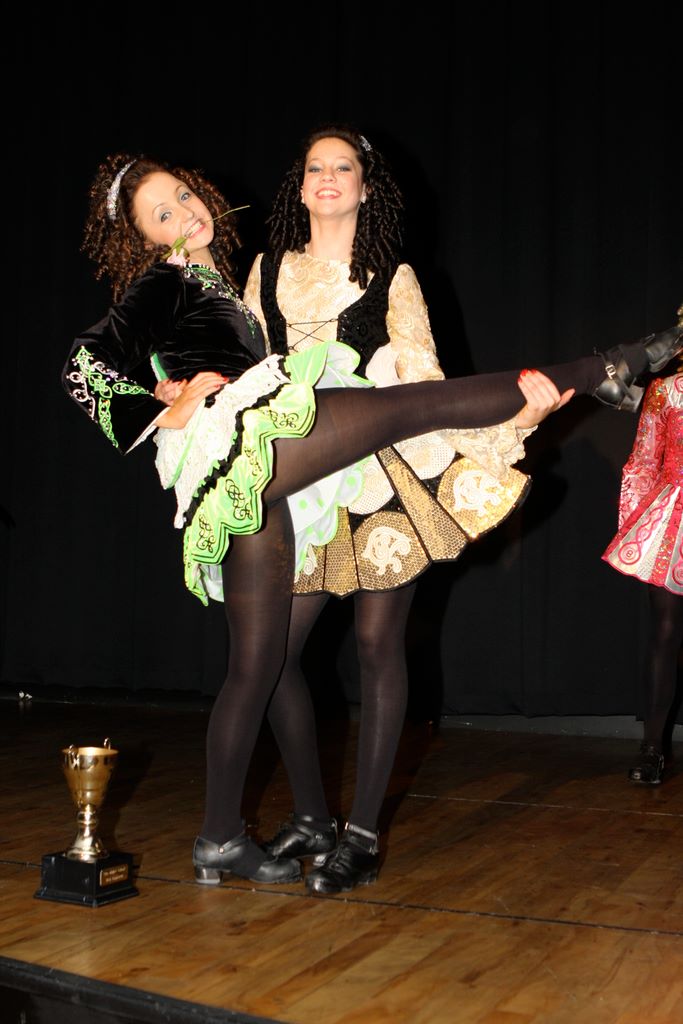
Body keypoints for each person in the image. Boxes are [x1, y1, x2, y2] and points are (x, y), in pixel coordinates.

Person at [62, 152, 681, 888]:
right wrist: (158, 406)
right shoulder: (182, 276)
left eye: (187, 196)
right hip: (256, 436)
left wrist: (168, 381)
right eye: (163, 214)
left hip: (274, 466)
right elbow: (84, 363)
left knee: (261, 661)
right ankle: (602, 369)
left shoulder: (215, 278)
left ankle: (225, 837)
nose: (188, 213)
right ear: (143, 239)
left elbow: (189, 345)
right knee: (411, 408)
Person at [242, 125, 551, 894]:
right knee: (269, 653)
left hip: (379, 474)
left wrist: (510, 417)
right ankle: (311, 816)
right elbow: (242, 371)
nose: (327, 177)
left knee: (379, 643)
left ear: (364, 187)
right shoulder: (265, 270)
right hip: (296, 477)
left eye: (342, 166)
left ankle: (362, 835)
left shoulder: (394, 275)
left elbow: (425, 380)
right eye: (314, 166)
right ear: (299, 185)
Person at [602, 364, 683, 784]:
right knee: (665, 631)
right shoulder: (666, 391)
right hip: (673, 518)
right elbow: (644, 460)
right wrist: (635, 530)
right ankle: (652, 748)